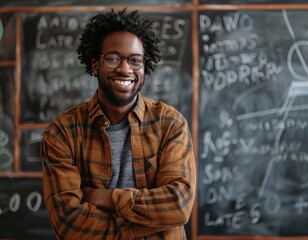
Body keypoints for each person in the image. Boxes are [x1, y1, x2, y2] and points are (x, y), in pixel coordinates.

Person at [41, 8, 196, 240]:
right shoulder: (62, 133)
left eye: (135, 61)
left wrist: (106, 197)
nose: (125, 69)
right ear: (95, 64)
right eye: (113, 58)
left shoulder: (170, 124)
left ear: (145, 67)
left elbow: (179, 206)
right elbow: (68, 223)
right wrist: (147, 225)